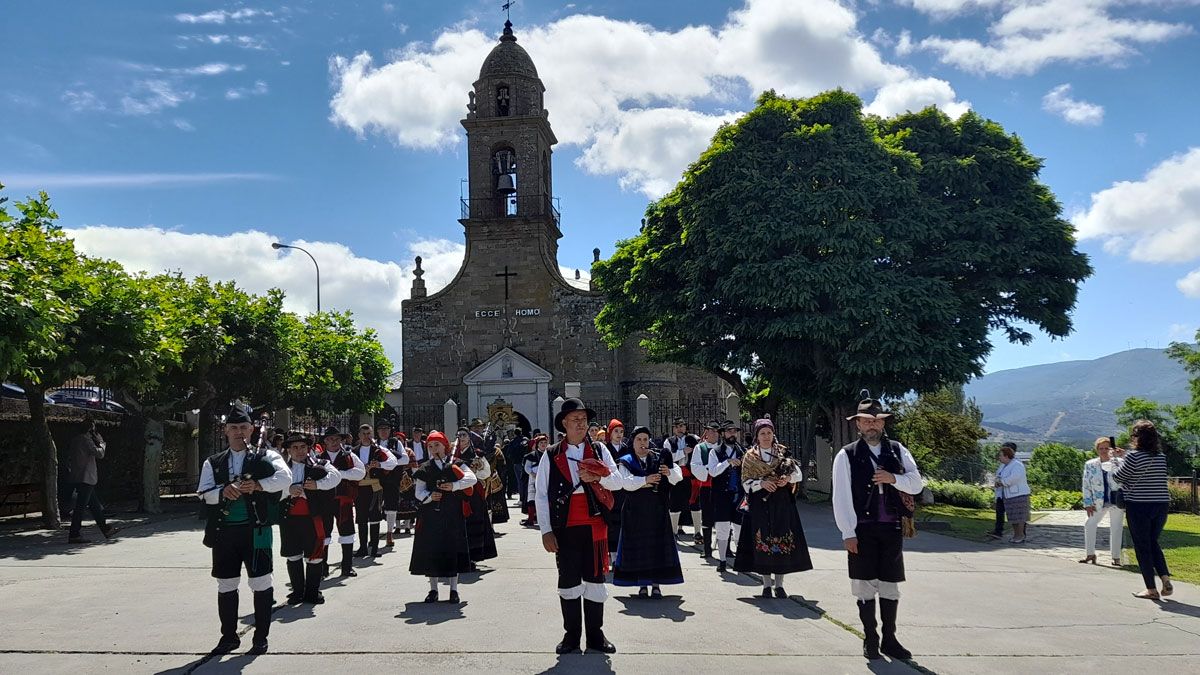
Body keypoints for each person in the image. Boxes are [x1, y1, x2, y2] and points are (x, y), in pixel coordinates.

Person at [832, 398, 924, 661]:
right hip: (861, 529)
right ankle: (870, 637)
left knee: (890, 584)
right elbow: (841, 497)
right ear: (858, 424)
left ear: (883, 423)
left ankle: (890, 639)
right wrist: (847, 531)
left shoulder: (897, 450)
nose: (872, 424)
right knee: (863, 584)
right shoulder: (846, 455)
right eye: (867, 420)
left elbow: (916, 484)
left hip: (891, 526)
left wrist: (893, 478)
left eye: (877, 420)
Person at [196, 407, 290, 655]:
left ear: (252, 429)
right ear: (225, 431)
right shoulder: (213, 462)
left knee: (261, 583)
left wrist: (259, 485)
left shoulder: (267, 456)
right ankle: (228, 637)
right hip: (224, 533)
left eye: (244, 428)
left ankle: (260, 638)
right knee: (226, 584)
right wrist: (221, 492)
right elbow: (204, 493)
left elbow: (286, 479)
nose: (239, 433)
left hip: (257, 530)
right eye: (234, 428)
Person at [535, 398, 622, 654]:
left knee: (595, 582)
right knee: (569, 582)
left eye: (584, 420)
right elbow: (541, 494)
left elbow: (618, 481)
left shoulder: (599, 450)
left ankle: (596, 636)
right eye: (575, 419)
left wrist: (597, 477)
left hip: (595, 526)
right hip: (565, 527)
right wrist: (546, 531)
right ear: (564, 423)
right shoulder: (551, 454)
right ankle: (571, 636)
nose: (581, 424)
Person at [734, 418, 811, 597]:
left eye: (769, 432)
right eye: (762, 433)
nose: (766, 436)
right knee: (763, 541)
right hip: (760, 504)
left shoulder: (783, 453)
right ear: (757, 436)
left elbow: (797, 474)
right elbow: (745, 483)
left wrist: (787, 479)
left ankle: (780, 585)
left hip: (782, 502)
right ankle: (766, 585)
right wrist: (762, 483)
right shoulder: (750, 457)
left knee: (782, 539)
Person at [612, 426, 684, 597]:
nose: (642, 443)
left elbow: (677, 477)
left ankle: (656, 584)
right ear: (633, 442)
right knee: (640, 549)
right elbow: (625, 483)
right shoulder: (626, 460)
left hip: (657, 510)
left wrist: (669, 472)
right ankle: (642, 585)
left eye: (645, 439)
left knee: (657, 549)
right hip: (634, 512)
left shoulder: (659, 458)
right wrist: (646, 480)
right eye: (639, 439)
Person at [410, 430, 477, 603]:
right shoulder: (425, 467)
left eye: (437, 445)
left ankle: (454, 590)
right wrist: (430, 497)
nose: (434, 449)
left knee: (452, 551)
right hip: (431, 515)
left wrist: (454, 485)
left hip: (452, 514)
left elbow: (472, 479)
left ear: (445, 446)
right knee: (433, 552)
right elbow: (419, 492)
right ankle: (433, 590)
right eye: (430, 446)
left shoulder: (456, 463)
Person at [1113, 420, 1172, 600]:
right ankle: (1165, 577)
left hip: (1139, 505)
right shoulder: (1160, 457)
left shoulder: (1133, 456)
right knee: (1153, 542)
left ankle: (1151, 589)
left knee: (1142, 546)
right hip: (1161, 504)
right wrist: (1125, 457)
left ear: (1136, 438)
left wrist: (1116, 461)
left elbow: (1119, 477)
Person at [279, 433, 340, 605]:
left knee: (314, 555)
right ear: (289, 450)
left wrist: (317, 485)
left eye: (303, 447)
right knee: (293, 555)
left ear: (308, 449)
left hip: (313, 518)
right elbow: (272, 487)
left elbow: (336, 477)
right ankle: (297, 591)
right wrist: (288, 490)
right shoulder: (282, 469)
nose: (299, 451)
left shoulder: (321, 464)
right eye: (295, 448)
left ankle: (313, 591)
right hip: (289, 520)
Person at [315, 426, 366, 578]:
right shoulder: (318, 458)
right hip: (324, 500)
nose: (334, 442)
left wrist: (339, 474)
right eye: (330, 439)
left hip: (344, 500)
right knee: (324, 533)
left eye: (337, 439)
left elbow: (360, 472)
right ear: (325, 441)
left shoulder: (350, 456)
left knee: (347, 531)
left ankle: (347, 566)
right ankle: (322, 567)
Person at [65, 416, 118, 544]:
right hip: (86, 477)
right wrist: (102, 443)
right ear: (90, 429)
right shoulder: (86, 440)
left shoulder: (75, 440)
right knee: (80, 507)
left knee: (94, 506)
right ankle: (74, 534)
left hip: (78, 476)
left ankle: (105, 529)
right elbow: (99, 454)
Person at [352, 424, 400, 558]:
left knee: (375, 516)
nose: (367, 436)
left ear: (372, 434)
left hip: (375, 487)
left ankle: (374, 547)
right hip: (360, 487)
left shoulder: (379, 450)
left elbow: (393, 462)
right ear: (359, 435)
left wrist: (379, 465)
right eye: (364, 434)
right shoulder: (353, 451)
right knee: (361, 517)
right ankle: (362, 547)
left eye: (369, 433)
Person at [453, 428, 498, 564]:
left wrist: (475, 471)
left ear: (469, 438)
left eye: (464, 435)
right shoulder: (451, 453)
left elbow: (486, 473)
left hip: (474, 493)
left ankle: (473, 555)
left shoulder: (477, 454)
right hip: (455, 492)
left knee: (474, 522)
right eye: (459, 435)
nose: (461, 437)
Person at [707, 420, 745, 573]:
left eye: (734, 431)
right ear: (722, 433)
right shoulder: (715, 452)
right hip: (721, 496)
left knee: (739, 528)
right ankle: (722, 560)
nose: (732, 434)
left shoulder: (743, 451)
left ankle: (740, 559)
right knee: (722, 528)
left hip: (738, 496)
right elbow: (712, 471)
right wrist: (727, 462)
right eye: (729, 431)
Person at [1081, 437, 1124, 566]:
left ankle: (1116, 557)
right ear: (1097, 450)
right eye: (1101, 448)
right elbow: (1086, 484)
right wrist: (1087, 503)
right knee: (1090, 524)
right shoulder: (1090, 464)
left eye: (1106, 448)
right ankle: (1090, 553)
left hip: (1116, 500)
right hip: (1098, 501)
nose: (1104, 451)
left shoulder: (1119, 462)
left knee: (1116, 528)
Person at [691, 422, 720, 559]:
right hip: (707, 487)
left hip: (721, 488)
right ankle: (707, 548)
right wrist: (709, 469)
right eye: (711, 431)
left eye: (716, 431)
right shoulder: (700, 448)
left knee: (722, 518)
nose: (714, 433)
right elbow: (695, 466)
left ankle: (724, 549)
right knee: (707, 518)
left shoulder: (722, 448)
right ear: (706, 433)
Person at [994, 443, 1030, 544]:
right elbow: (999, 475)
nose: (999, 458)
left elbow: (1013, 478)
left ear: (1006, 456)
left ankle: (1020, 535)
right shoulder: (1004, 466)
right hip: (1008, 495)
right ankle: (1015, 535)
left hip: (1018, 495)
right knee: (1013, 517)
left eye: (1000, 456)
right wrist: (997, 480)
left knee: (1019, 517)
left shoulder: (1017, 465)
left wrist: (1002, 482)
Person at [662, 418, 693, 538]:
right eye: (677, 426)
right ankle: (673, 529)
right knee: (675, 501)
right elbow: (668, 457)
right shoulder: (668, 441)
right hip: (675, 474)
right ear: (674, 429)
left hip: (688, 473)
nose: (680, 429)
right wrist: (682, 452)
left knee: (686, 501)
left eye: (682, 426)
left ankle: (681, 526)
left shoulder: (691, 439)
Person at [605, 419, 628, 554]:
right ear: (610, 433)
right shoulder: (605, 449)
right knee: (611, 522)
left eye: (621, 431)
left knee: (622, 521)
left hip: (624, 490)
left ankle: (621, 553)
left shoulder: (626, 449)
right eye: (616, 431)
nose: (619, 434)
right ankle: (612, 554)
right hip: (610, 489)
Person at [523, 434, 548, 528]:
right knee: (532, 499)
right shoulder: (531, 455)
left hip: (546, 479)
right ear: (537, 444)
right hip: (533, 480)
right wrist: (532, 473)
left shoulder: (549, 454)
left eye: (545, 443)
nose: (543, 444)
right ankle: (530, 519)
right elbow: (527, 467)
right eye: (541, 443)